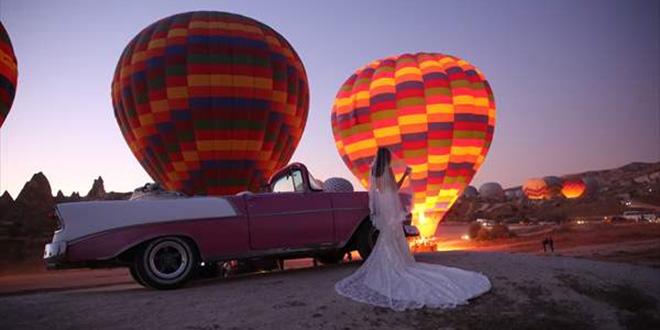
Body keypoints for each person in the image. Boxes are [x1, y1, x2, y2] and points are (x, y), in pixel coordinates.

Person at [334, 147, 491, 311]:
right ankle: (398, 262)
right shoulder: (388, 169)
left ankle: (390, 262)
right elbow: (394, 188)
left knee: (386, 236)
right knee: (394, 235)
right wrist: (405, 175)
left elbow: (374, 191)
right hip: (390, 204)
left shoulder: (374, 170)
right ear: (387, 158)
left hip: (381, 204)